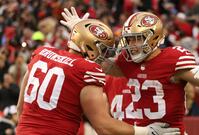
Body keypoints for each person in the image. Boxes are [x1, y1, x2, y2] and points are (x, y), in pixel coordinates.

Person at [61, 9, 199, 135]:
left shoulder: (172, 59)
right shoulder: (127, 61)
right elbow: (96, 61)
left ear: (154, 38)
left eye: (137, 38)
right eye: (129, 38)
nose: (131, 44)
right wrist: (81, 33)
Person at [16, 10, 180, 135]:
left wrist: (81, 29)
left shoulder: (41, 53)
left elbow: (20, 108)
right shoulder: (87, 69)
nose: (105, 57)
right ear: (89, 47)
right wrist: (145, 131)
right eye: (103, 50)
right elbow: (103, 126)